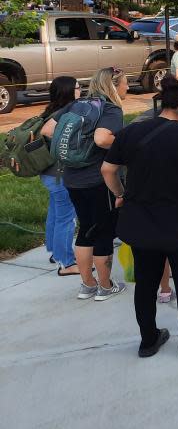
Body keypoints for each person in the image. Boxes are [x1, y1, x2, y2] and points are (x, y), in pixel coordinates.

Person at [100, 76, 178, 358]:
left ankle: (149, 340)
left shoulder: (132, 132)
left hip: (141, 223)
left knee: (146, 283)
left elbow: (108, 169)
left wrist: (121, 194)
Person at [40, 67, 128, 301]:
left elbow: (47, 129)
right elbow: (102, 138)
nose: (127, 87)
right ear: (114, 85)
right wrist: (123, 143)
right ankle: (106, 286)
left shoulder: (78, 105)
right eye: (125, 83)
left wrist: (75, 148)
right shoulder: (111, 109)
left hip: (72, 179)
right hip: (98, 180)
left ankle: (87, 286)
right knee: (103, 233)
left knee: (85, 230)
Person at [39, 76, 80, 276]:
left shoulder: (49, 111)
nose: (81, 91)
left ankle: (55, 252)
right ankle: (66, 263)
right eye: (78, 87)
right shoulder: (63, 115)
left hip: (47, 173)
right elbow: (50, 134)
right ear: (69, 92)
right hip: (59, 175)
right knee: (67, 218)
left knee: (55, 213)